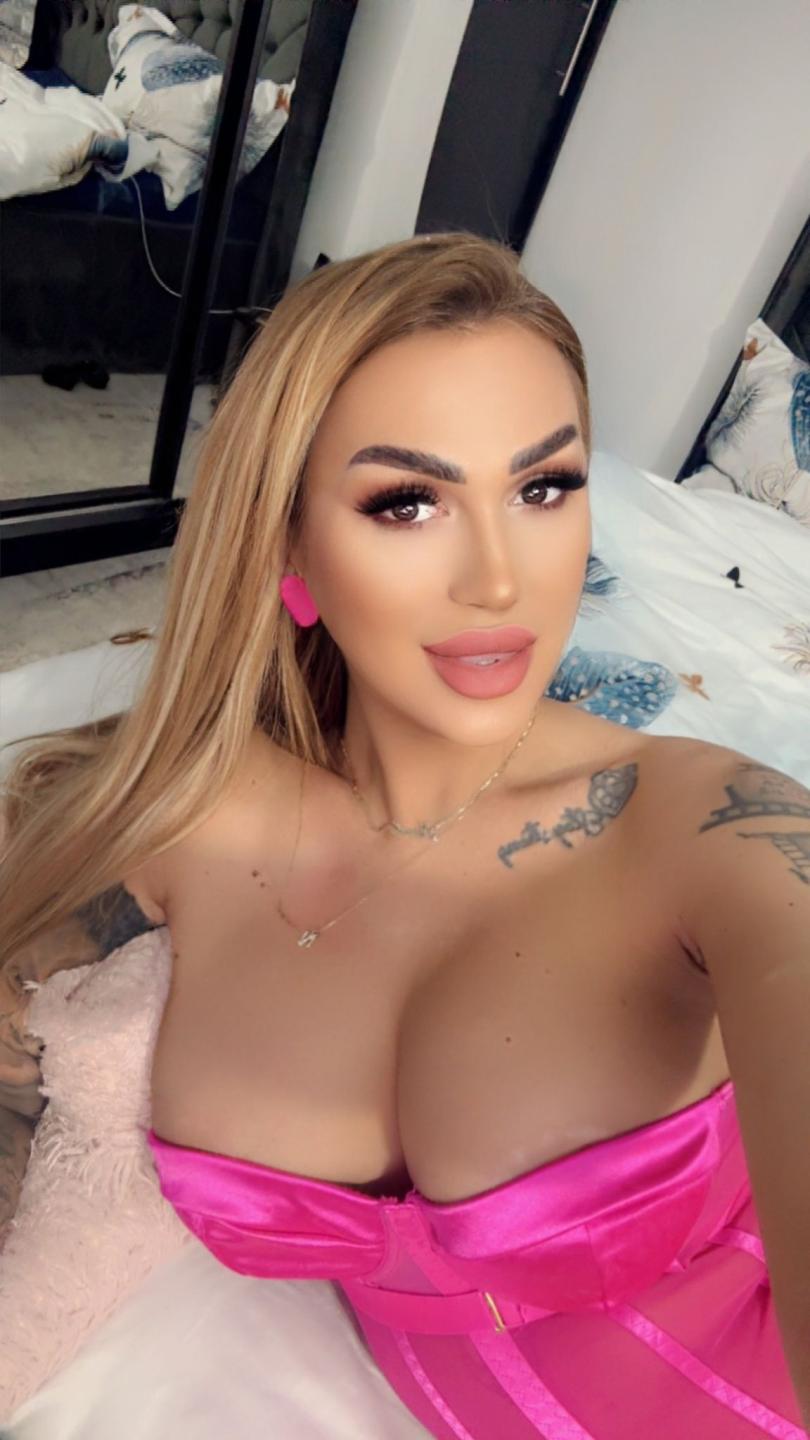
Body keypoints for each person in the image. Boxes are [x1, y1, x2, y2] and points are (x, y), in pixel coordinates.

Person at [1, 231, 809, 1438]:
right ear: (286, 541)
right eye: (408, 501)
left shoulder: (712, 831)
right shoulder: (182, 813)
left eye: (545, 487)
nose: (499, 580)